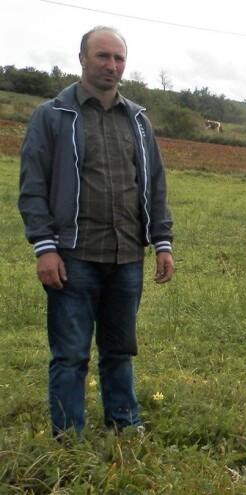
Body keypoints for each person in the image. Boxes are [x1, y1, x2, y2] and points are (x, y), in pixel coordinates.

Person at [18, 26, 174, 440]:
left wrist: (162, 242)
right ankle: (67, 437)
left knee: (120, 350)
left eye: (119, 58)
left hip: (127, 256)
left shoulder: (138, 120)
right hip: (73, 256)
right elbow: (32, 187)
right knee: (70, 354)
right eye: (103, 56)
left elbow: (154, 183)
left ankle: (123, 425)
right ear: (83, 59)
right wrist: (44, 248)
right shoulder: (52, 116)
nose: (112, 65)